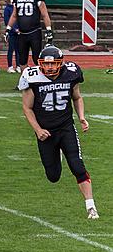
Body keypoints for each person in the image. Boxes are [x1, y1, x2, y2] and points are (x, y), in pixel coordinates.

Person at [18, 46, 97, 219]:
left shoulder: (71, 73)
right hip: (45, 131)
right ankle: (57, 152)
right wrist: (38, 130)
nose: (50, 68)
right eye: (47, 65)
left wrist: (82, 117)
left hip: (66, 127)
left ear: (60, 64)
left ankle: (91, 206)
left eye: (54, 64)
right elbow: (27, 107)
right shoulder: (32, 77)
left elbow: (77, 97)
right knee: (53, 176)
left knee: (77, 166)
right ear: (40, 64)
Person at [5, 0, 53, 70]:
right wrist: (8, 29)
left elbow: (45, 15)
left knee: (37, 59)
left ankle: (40, 79)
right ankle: (24, 81)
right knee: (22, 60)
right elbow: (14, 15)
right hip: (22, 33)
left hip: (34, 32)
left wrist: (49, 30)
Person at [2, 0, 21, 73]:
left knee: (18, 50)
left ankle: (18, 66)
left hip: (19, 32)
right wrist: (14, 29)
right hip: (12, 32)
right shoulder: (7, 9)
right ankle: (10, 66)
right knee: (11, 49)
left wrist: (20, 29)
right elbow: (7, 22)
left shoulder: (18, 8)